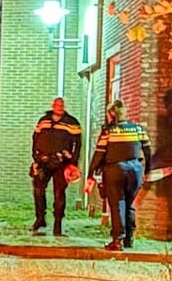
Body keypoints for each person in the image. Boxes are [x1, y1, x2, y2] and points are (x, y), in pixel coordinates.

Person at [89, 100, 152, 251]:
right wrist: (147, 170)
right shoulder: (137, 129)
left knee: (117, 204)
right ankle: (129, 239)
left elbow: (99, 154)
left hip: (115, 170)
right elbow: (147, 150)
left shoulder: (109, 132)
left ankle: (117, 240)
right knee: (130, 204)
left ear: (111, 114)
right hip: (135, 169)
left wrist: (91, 173)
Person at [29, 97, 83, 235]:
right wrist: (36, 158)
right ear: (52, 106)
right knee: (38, 190)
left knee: (59, 193)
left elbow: (78, 145)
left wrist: (73, 163)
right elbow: (35, 139)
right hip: (43, 162)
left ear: (64, 106)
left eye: (61, 105)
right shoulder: (44, 121)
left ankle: (57, 225)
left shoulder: (72, 123)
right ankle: (40, 219)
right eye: (56, 105)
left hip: (62, 163)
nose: (58, 107)